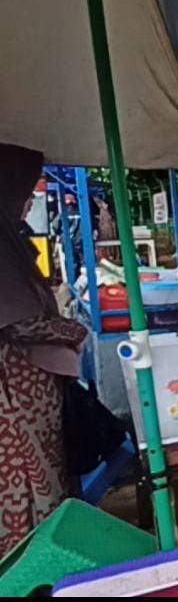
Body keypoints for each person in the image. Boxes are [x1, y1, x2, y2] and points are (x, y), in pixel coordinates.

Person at [0, 143, 88, 555]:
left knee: (47, 470)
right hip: (13, 398)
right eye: (25, 189)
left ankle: (48, 549)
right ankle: (32, 559)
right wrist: (71, 329)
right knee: (27, 480)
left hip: (30, 391)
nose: (30, 200)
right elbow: (20, 321)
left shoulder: (9, 237)